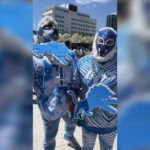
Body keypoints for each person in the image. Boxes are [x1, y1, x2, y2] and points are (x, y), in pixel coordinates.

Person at [33, 16, 81, 150]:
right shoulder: (33, 57)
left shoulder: (70, 55)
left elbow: (79, 77)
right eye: (45, 28)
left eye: (51, 27)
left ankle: (69, 136)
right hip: (49, 109)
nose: (49, 31)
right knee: (49, 139)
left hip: (69, 104)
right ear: (39, 32)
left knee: (72, 123)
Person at [73, 27, 117, 150]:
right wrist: (71, 103)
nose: (104, 46)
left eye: (109, 43)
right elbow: (75, 85)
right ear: (95, 40)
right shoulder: (83, 62)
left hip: (111, 122)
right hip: (88, 121)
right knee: (87, 147)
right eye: (101, 41)